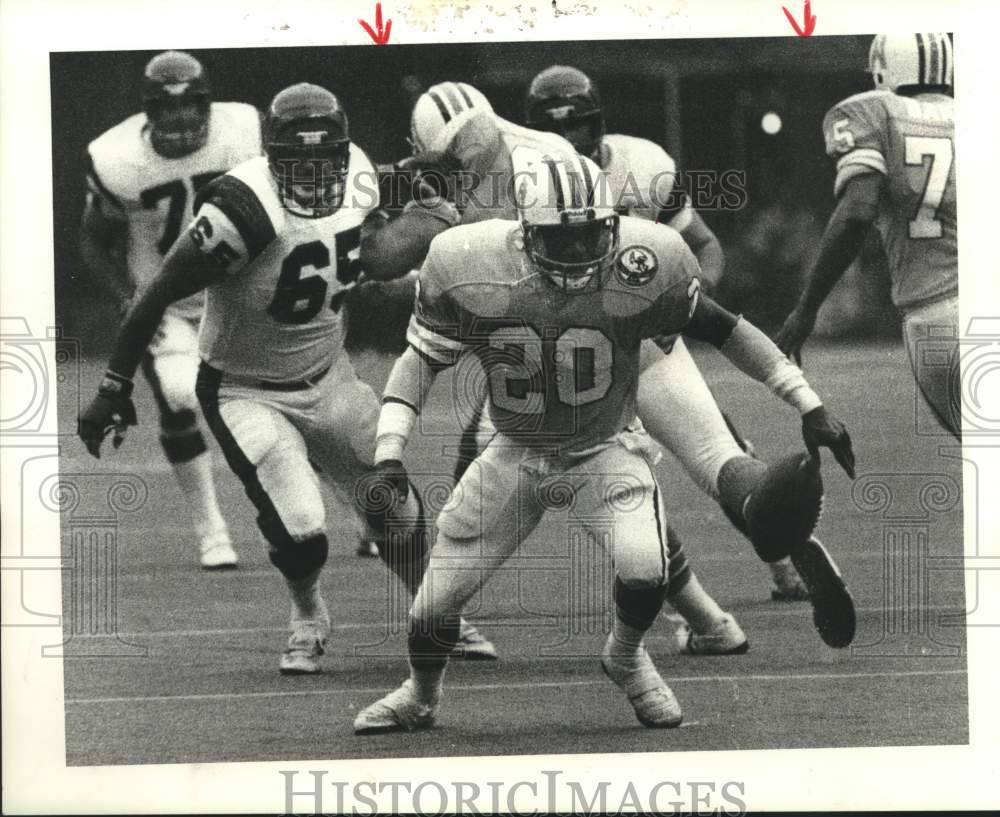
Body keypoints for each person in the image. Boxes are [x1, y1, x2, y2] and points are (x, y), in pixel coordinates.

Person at [353, 154, 856, 734]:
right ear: (526, 233)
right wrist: (389, 454)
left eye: (591, 234)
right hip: (514, 449)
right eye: (561, 240)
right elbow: (418, 364)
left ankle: (625, 656)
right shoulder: (469, 263)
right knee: (433, 608)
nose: (578, 253)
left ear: (611, 224)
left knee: (646, 568)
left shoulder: (647, 259)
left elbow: (727, 330)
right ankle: (420, 695)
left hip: (604, 446)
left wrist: (806, 401)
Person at [77, 82, 496, 674]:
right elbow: (158, 292)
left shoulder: (356, 172)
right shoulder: (240, 211)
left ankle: (436, 614)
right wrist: (113, 387)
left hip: (329, 377)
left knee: (395, 509)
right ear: (271, 156)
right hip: (245, 391)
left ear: (343, 152)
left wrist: (418, 196)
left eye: (324, 159)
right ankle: (307, 615)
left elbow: (372, 235)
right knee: (302, 529)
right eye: (296, 162)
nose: (313, 173)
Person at [525, 65, 810, 602]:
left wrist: (679, 305)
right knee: (517, 474)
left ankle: (785, 557)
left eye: (580, 127)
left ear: (600, 123)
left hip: (643, 344)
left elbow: (705, 248)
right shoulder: (519, 181)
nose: (569, 142)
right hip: (568, 358)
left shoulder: (643, 165)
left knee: (716, 452)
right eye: (556, 130)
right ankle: (439, 601)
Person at [80, 51, 262, 569]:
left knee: (295, 399)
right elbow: (93, 241)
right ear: (148, 112)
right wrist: (127, 298)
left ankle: (364, 518)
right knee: (180, 397)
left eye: (191, 108)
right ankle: (211, 530)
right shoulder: (115, 157)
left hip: (242, 289)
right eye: (167, 110)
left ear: (208, 103)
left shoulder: (247, 129)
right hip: (168, 299)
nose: (181, 122)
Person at [776, 34, 959, 438]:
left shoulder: (871, 111)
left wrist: (806, 308)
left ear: (882, 66)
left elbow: (858, 211)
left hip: (936, 315)